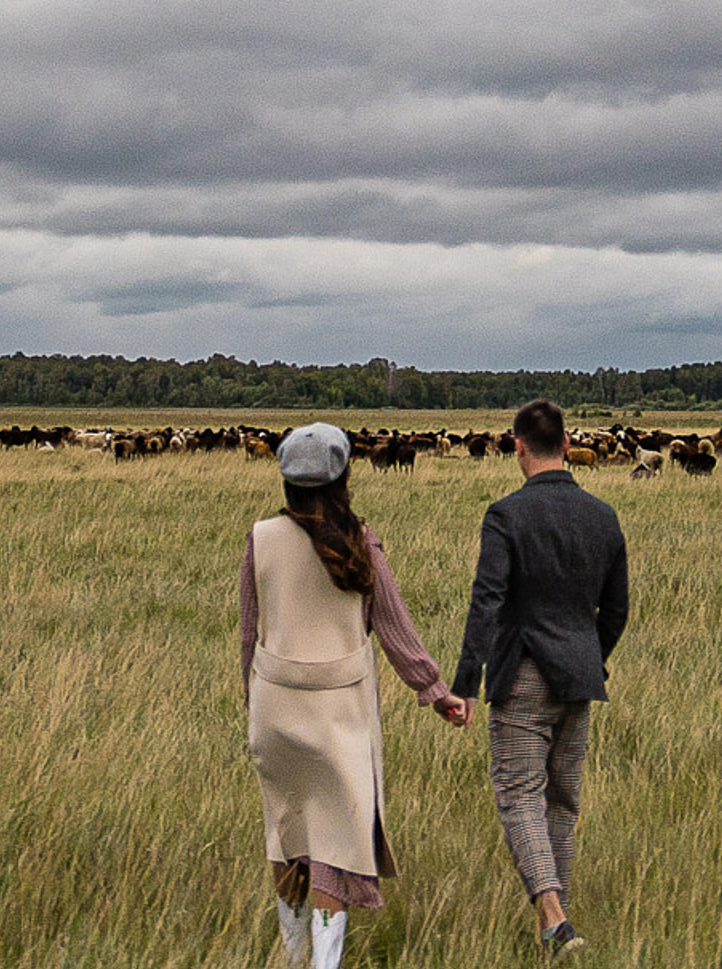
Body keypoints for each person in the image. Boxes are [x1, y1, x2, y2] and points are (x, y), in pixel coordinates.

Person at [242, 423, 470, 967]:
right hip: (337, 716)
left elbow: (249, 632)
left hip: (274, 708)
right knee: (337, 846)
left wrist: (253, 703)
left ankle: (294, 957)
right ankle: (324, 964)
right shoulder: (360, 542)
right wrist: (435, 691)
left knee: (287, 832)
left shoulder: (260, 538)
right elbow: (395, 629)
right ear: (344, 477)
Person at [451, 398, 630, 959]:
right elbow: (617, 608)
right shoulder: (603, 516)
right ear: (570, 447)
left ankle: (554, 917)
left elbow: (487, 603)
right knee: (562, 803)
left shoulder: (505, 515)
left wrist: (465, 684)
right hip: (579, 678)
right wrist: (587, 655)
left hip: (523, 673)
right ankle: (557, 932)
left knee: (519, 796)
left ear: (518, 447)